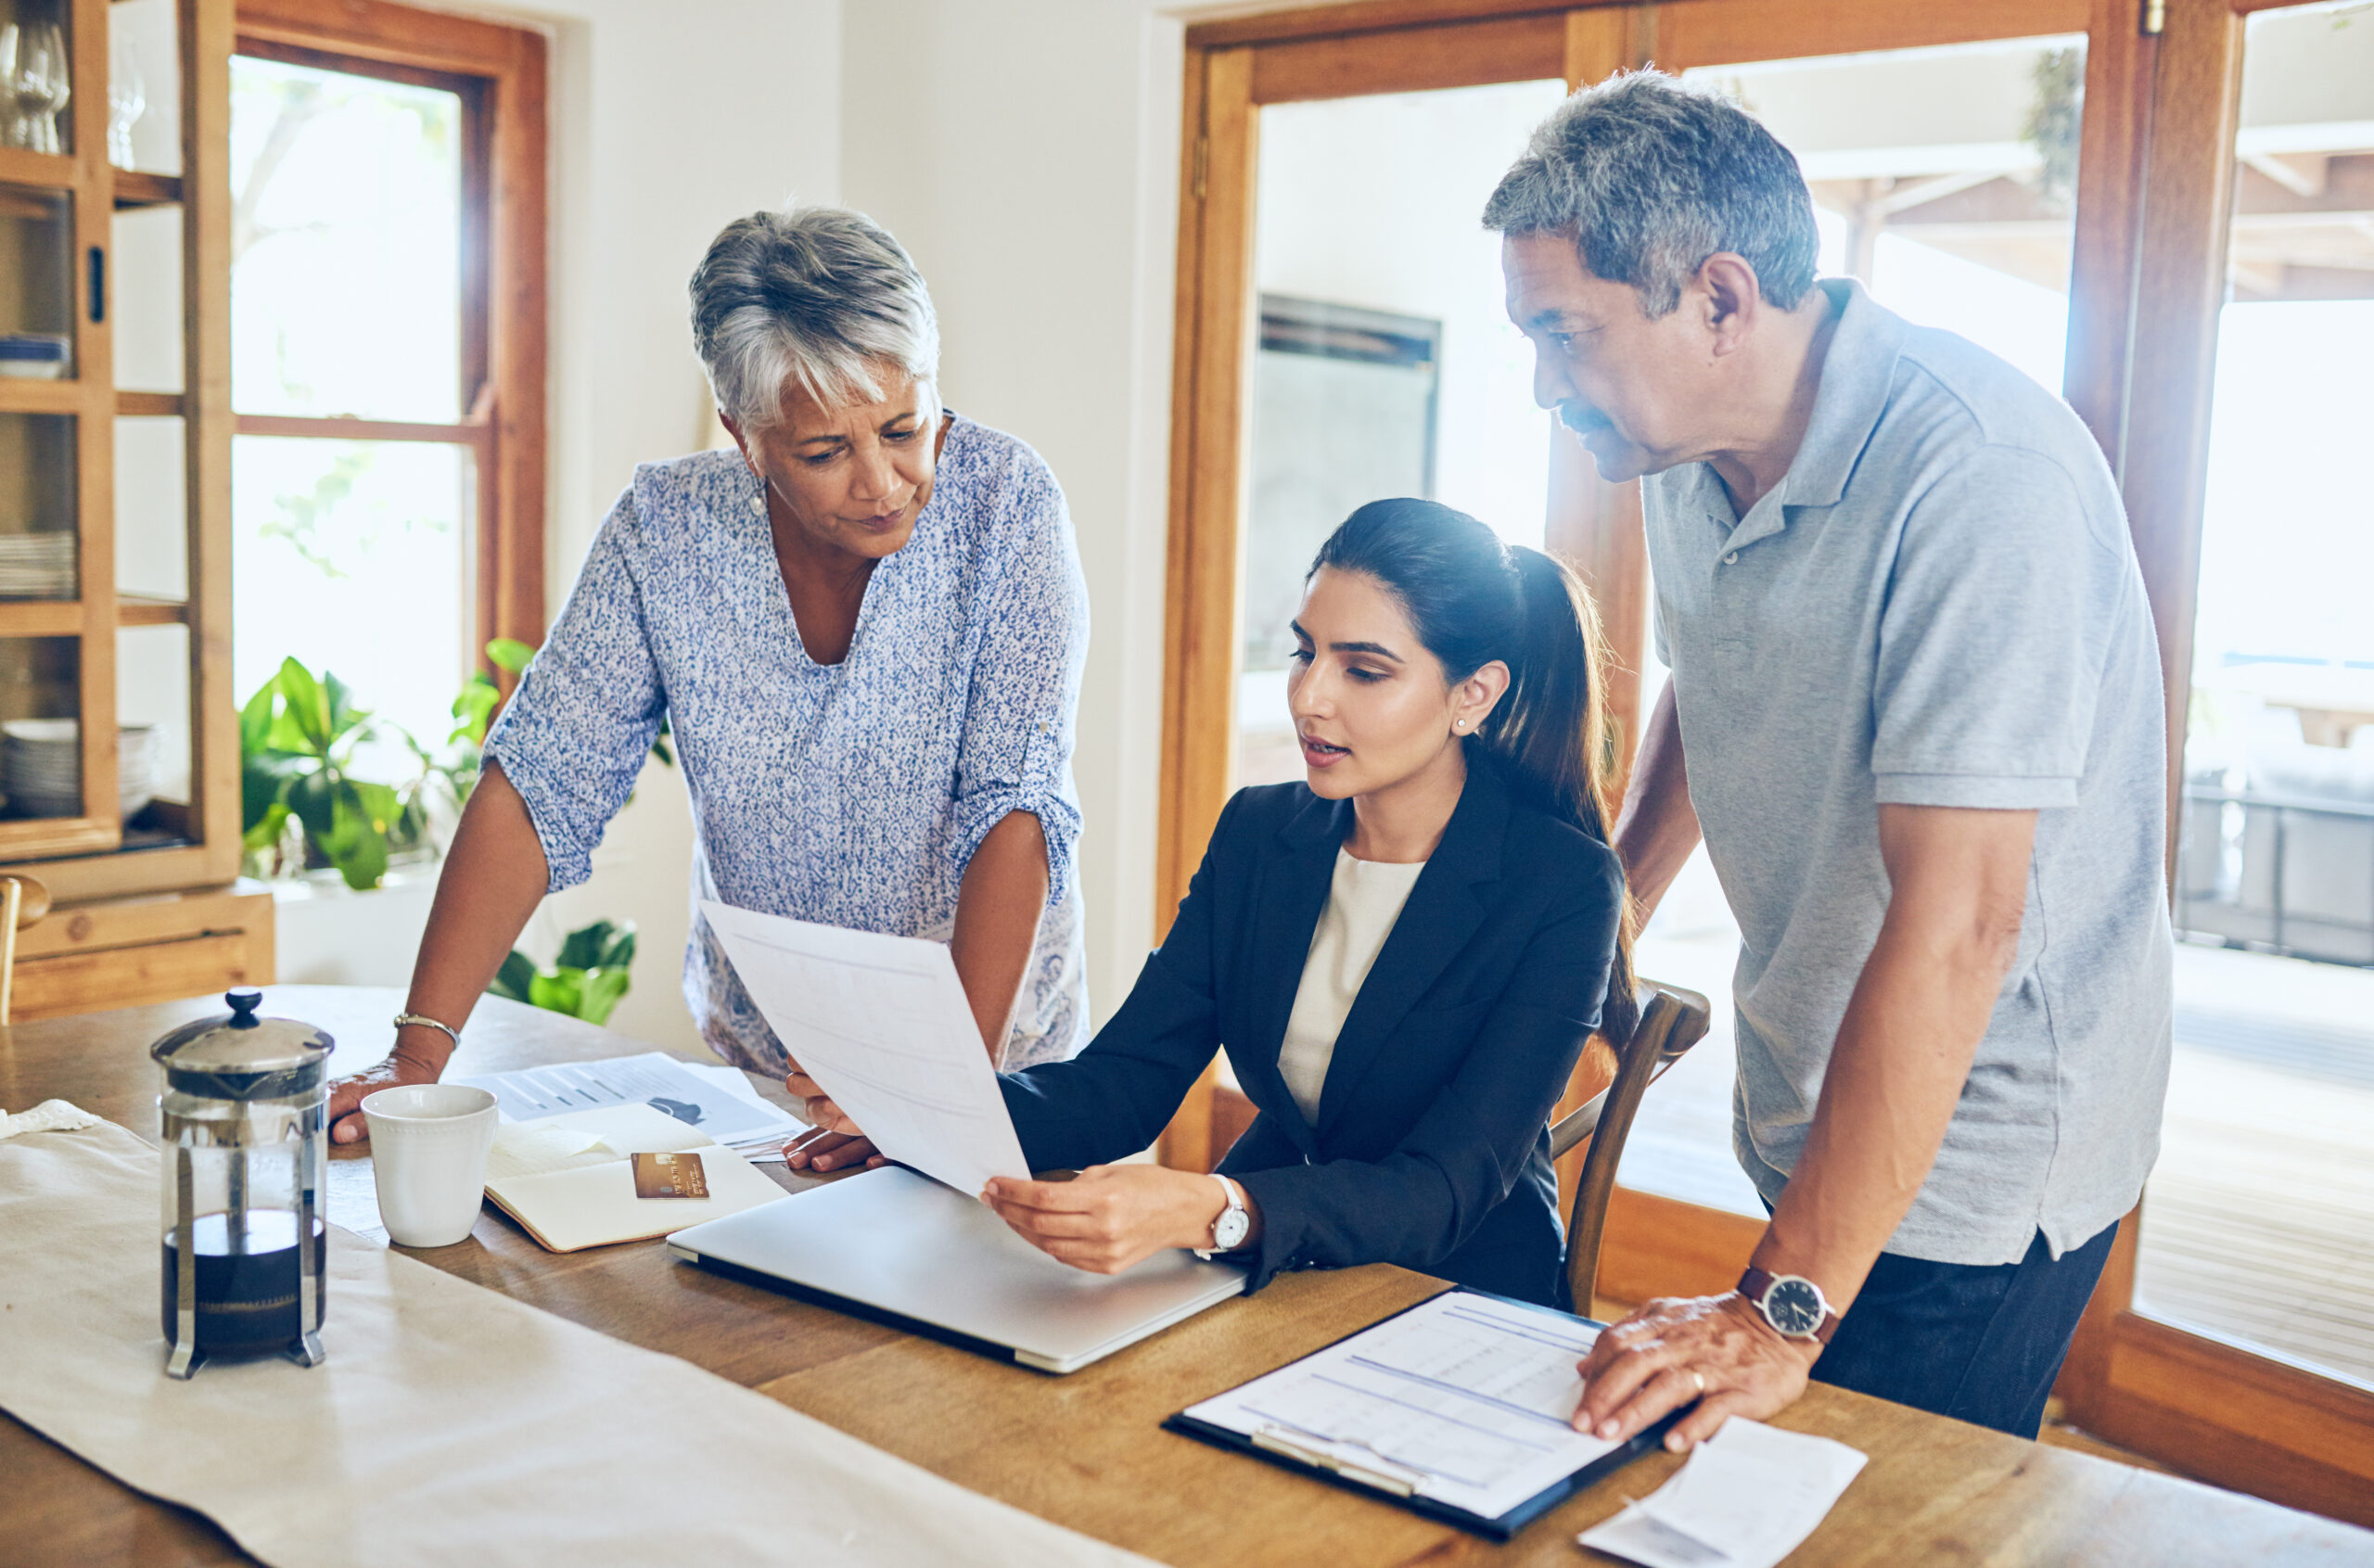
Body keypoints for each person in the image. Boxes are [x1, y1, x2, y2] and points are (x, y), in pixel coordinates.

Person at [1483, 71, 2173, 1445]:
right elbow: (1713, 670)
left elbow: (1964, 920)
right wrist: (1608, 905)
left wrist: (1780, 1304)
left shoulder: (1979, 479)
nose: (1545, 385)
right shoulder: (1687, 450)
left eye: (1567, 336)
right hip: (1814, 1078)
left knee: (1869, 1519)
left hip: (1984, 1146)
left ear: (1721, 300)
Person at [324, 205, 1091, 1154]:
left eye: (903, 426)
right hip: (773, 1069)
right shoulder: (668, 529)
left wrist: (941, 1098)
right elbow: (538, 782)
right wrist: (417, 1056)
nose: (883, 482)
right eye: (823, 453)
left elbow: (1011, 810)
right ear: (744, 436)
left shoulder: (1005, 504)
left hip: (998, 1067)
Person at [792, 499, 1635, 1306]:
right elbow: (1126, 1079)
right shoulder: (1261, 835)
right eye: (1306, 652)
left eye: (1364, 670)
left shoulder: (1562, 887)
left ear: (1473, 694)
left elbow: (1443, 1187)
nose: (1310, 696)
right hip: (1285, 1270)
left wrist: (1210, 1205)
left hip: (1461, 1294)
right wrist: (926, 1115)